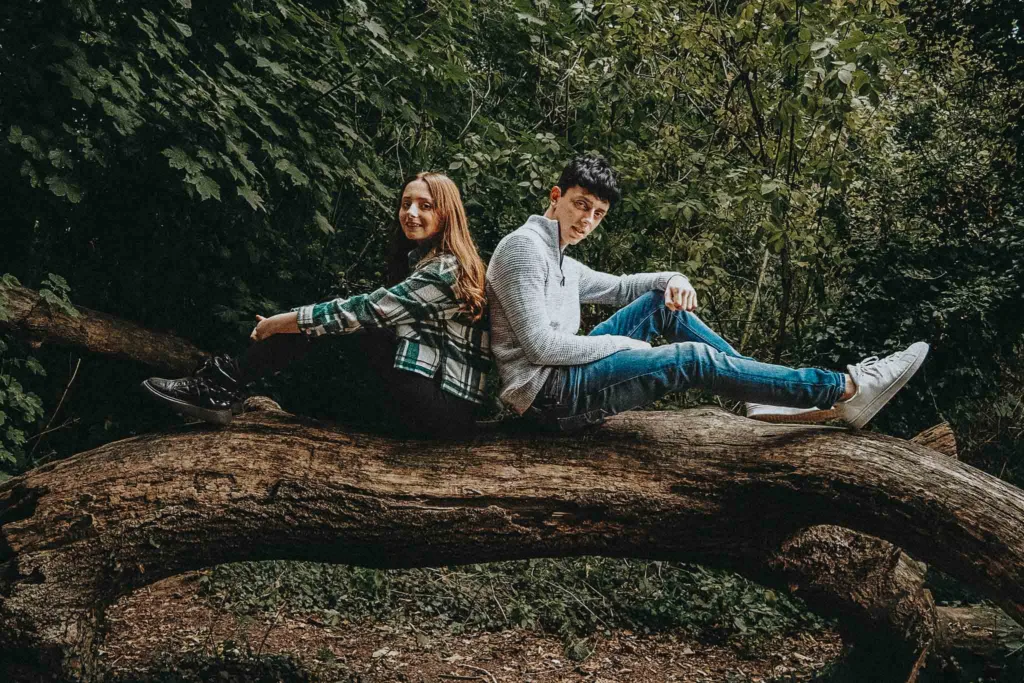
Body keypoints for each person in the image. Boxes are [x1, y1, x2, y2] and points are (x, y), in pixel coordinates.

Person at [485, 154, 928, 432]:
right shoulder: (524, 249)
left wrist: (673, 277)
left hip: (566, 377)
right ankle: (843, 389)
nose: (587, 220)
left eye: (598, 213)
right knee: (692, 360)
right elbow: (541, 348)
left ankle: (758, 397)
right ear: (556, 196)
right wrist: (624, 344)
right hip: (549, 397)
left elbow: (621, 287)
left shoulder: (561, 257)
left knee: (661, 304)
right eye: (581, 205)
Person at [142, 172, 490, 437]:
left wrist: (283, 322)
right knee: (333, 326)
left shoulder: (447, 270)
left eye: (425, 205)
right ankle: (225, 385)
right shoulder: (426, 262)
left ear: (447, 213)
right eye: (405, 204)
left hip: (444, 411)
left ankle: (220, 384)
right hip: (434, 404)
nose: (410, 213)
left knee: (345, 323)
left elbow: (366, 311)